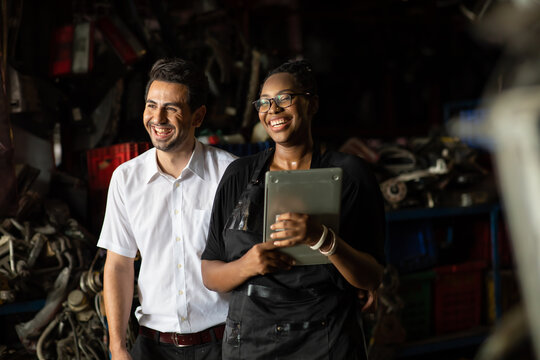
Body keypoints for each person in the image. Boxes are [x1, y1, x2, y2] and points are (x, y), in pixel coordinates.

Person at [201, 59, 386, 359]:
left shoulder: (351, 175)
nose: (272, 110)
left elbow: (371, 277)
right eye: (264, 102)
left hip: (326, 336)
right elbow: (210, 273)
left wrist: (322, 238)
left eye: (284, 99)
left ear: (312, 104)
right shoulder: (239, 175)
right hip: (249, 338)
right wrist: (249, 264)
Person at [97, 58, 236, 360]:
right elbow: (119, 264)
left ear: (198, 116)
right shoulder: (125, 179)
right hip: (152, 348)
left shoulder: (229, 173)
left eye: (172, 108)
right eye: (151, 105)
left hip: (222, 345)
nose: (157, 118)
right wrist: (117, 346)